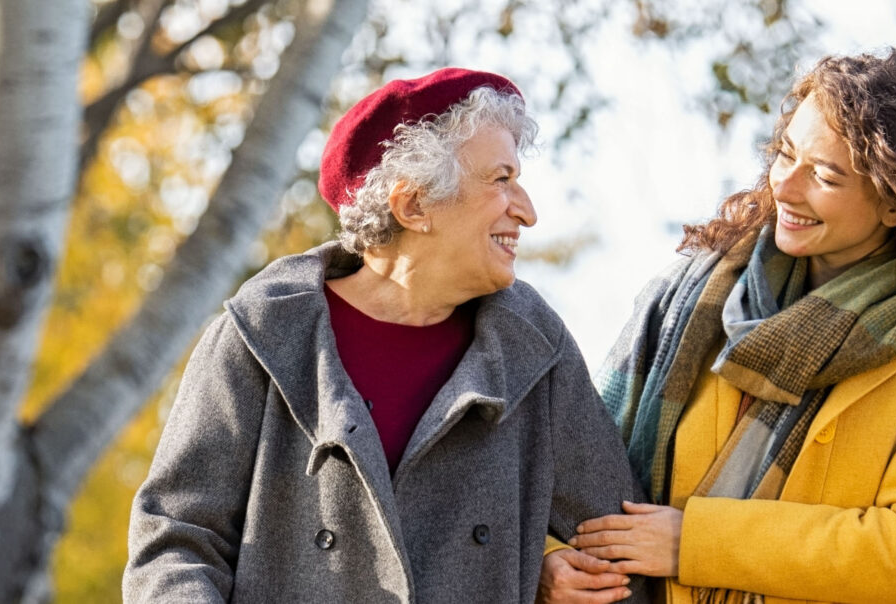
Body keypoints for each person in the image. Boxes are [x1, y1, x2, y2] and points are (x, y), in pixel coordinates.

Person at [553, 50, 896, 603]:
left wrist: (692, 542)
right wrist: (550, 565)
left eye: (823, 176)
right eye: (785, 155)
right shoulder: (695, 297)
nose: (786, 189)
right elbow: (575, 466)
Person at [124, 68, 644, 603]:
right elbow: (177, 541)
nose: (527, 211)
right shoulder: (261, 336)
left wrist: (536, 561)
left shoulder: (535, 349)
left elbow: (621, 551)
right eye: (501, 179)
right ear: (413, 206)